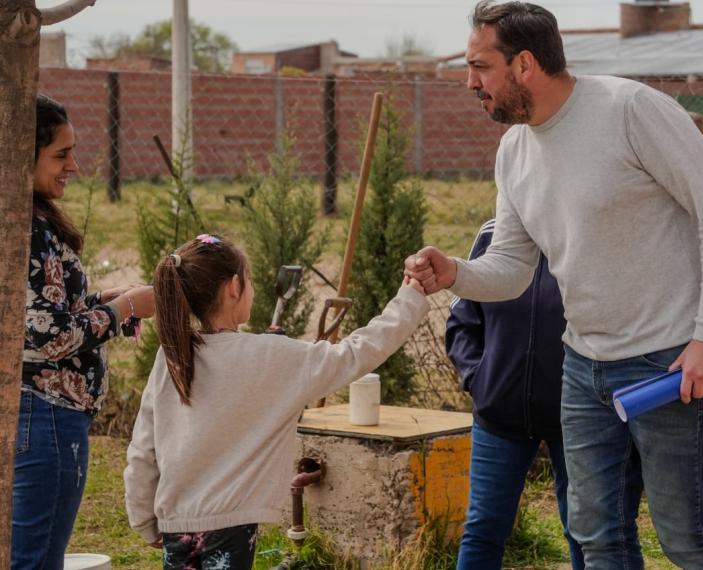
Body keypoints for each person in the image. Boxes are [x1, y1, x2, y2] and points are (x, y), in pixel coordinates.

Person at [405, 2, 703, 568]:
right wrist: (457, 274)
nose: (470, 82)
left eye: (479, 66)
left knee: (686, 534)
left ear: (524, 65)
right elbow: (513, 268)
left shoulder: (630, 110)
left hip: (670, 363)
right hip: (583, 365)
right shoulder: (514, 149)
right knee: (594, 532)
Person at [123, 234, 429, 569]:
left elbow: (143, 449)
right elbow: (356, 353)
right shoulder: (270, 356)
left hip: (175, 524)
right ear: (234, 287)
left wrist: (143, 518)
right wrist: (410, 297)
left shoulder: (171, 357)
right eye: (250, 280)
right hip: (231, 524)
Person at [14, 94, 155, 569]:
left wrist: (101, 301)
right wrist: (126, 308)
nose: (74, 164)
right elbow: (49, 338)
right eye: (60, 154)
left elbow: (36, 315)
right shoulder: (26, 230)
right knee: (36, 560)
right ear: (18, 154)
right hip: (46, 414)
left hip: (35, 413)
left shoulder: (26, 219)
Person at [446, 219, 584, 569]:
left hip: (579, 416)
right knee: (483, 528)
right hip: (499, 415)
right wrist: (479, 379)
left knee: (585, 531)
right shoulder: (493, 236)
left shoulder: (587, 232)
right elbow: (462, 322)